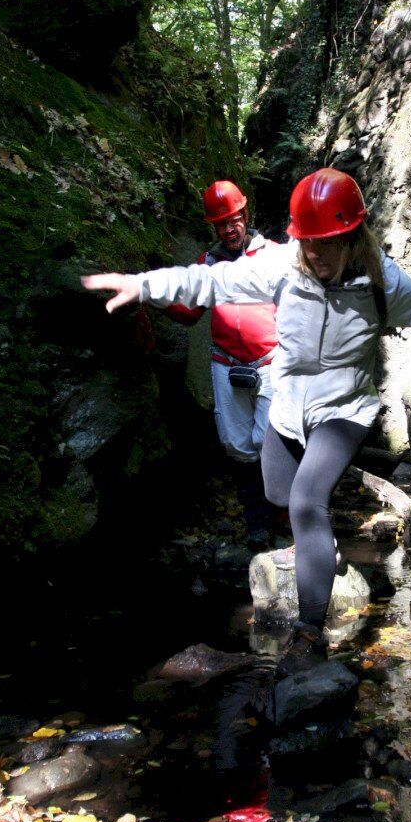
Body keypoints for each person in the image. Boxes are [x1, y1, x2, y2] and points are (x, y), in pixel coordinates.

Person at [81, 168, 411, 675]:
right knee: (278, 491)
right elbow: (211, 281)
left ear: (352, 237)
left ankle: (308, 633)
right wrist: (142, 285)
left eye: (327, 244)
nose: (316, 255)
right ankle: (316, 545)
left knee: (305, 501)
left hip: (344, 410)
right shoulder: (284, 266)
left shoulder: (384, 285)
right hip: (287, 406)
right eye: (308, 242)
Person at [166, 180, 279, 551]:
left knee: (271, 439)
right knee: (236, 443)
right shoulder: (208, 264)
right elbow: (187, 311)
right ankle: (258, 524)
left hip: (271, 361)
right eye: (221, 224)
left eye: (234, 220)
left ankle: (284, 514)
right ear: (213, 227)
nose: (229, 229)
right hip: (225, 363)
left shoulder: (274, 255)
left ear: (245, 215)